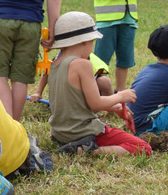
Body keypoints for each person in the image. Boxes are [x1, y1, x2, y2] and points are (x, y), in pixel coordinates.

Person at [47, 12, 151, 155]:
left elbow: (75, 102)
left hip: (60, 133)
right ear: (84, 41)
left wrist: (113, 107)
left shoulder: (54, 64)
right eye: (92, 42)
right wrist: (121, 96)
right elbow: (95, 104)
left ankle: (76, 147)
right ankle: (87, 150)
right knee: (143, 147)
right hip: (82, 132)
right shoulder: (83, 65)